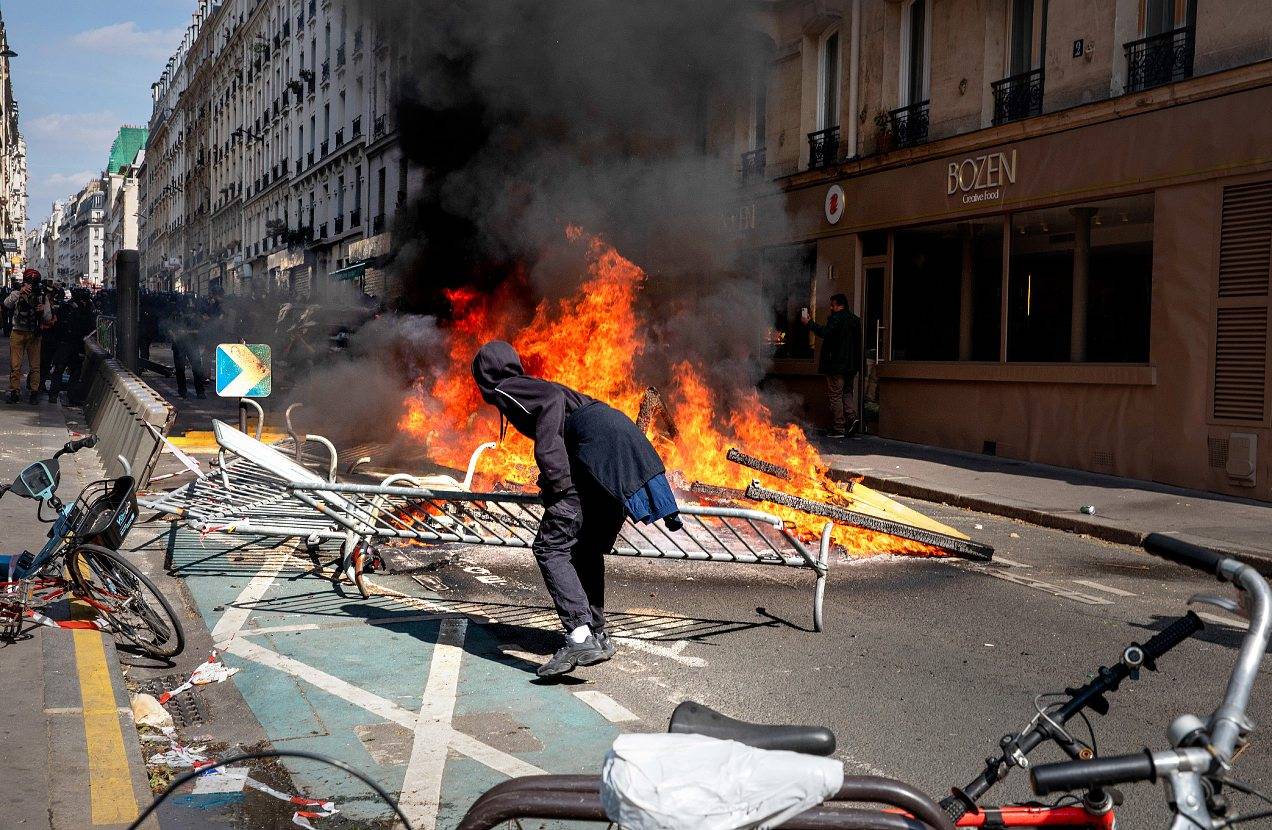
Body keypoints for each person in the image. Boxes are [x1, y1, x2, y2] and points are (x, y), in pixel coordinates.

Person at [471, 340, 682, 678]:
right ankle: (597, 634)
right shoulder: (530, 385)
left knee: (550, 546)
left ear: (483, 374)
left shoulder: (508, 387)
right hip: (616, 447)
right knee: (585, 548)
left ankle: (579, 635)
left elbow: (551, 406)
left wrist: (557, 480)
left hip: (601, 450)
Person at [801, 293, 862, 439]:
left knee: (835, 395)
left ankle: (838, 427)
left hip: (836, 365)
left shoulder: (836, 319)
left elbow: (826, 333)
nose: (830, 307)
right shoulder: (854, 320)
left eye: (832, 305)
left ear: (838, 305)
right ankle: (851, 420)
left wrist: (809, 323)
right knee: (847, 393)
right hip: (850, 366)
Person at [4, 269, 54, 404]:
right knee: (15, 365)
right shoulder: (16, 293)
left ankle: (34, 392)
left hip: (34, 333)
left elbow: (48, 317)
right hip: (18, 332)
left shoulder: (41, 297)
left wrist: (42, 309)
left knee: (35, 366)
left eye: (33, 282)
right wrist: (19, 294)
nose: (30, 286)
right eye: (28, 282)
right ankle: (15, 391)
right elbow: (6, 304)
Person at [47, 288, 96, 405]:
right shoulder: (83, 310)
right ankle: (71, 396)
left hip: (63, 344)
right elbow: (89, 326)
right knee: (75, 371)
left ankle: (53, 395)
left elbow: (57, 325)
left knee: (59, 369)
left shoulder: (65, 307)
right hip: (76, 344)